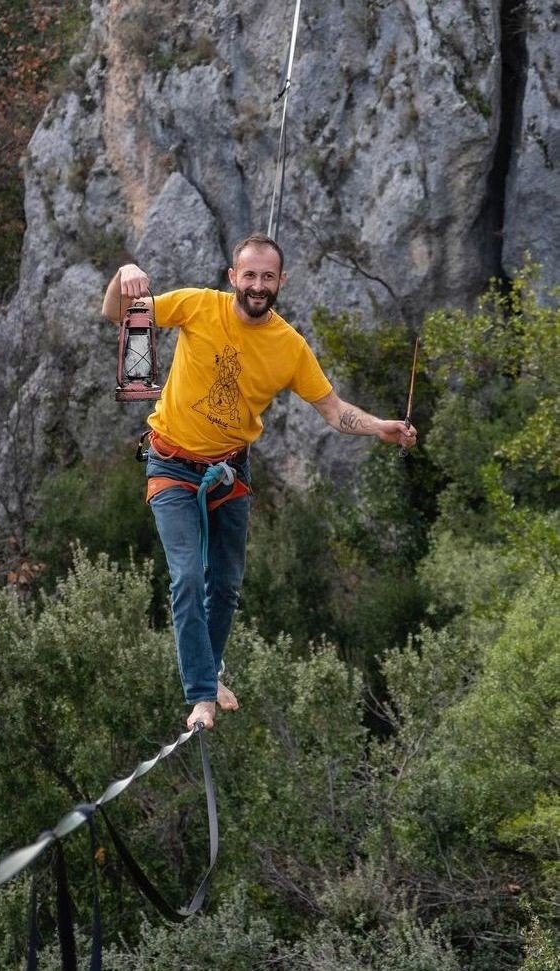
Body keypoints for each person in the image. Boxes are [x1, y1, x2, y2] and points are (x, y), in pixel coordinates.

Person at [101, 233, 417, 731]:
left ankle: (212, 670)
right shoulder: (198, 306)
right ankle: (201, 694)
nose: (257, 285)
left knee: (224, 586)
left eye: (268, 277)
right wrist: (124, 276)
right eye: (249, 275)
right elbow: (120, 315)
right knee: (186, 578)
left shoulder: (290, 347)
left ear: (281, 282)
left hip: (229, 471)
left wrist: (380, 427)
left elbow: (333, 410)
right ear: (233, 277)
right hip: (171, 464)